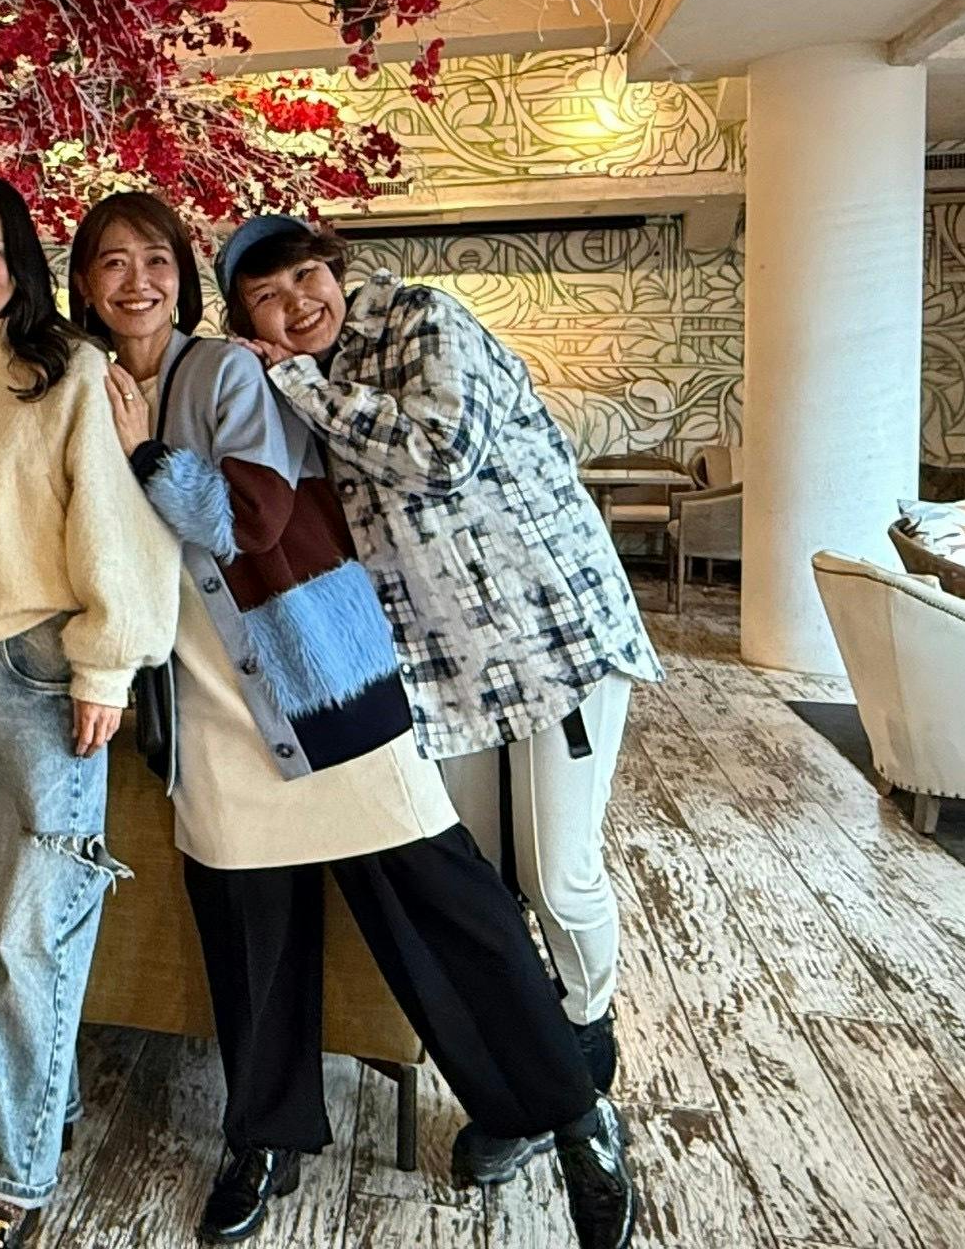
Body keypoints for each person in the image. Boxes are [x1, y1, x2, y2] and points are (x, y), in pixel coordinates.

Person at [71, 194, 637, 1248]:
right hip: (206, 698)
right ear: (85, 286)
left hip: (320, 674)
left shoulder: (226, 372)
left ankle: (569, 1114)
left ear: (184, 282)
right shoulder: (89, 384)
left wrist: (149, 458)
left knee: (441, 903)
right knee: (249, 932)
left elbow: (250, 519)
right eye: (111, 263)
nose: (136, 281)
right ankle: (266, 1136)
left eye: (155, 259)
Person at [219, 212, 662, 1186]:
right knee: (486, 887)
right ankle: (538, 1083)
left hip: (553, 641)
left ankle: (586, 1067)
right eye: (266, 299)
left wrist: (296, 382)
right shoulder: (299, 389)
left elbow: (440, 448)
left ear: (336, 270)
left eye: (305, 279)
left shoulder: (421, 319)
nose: (296, 306)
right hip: (443, 671)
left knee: (557, 874)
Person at [0, 175, 178, 1249]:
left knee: (33, 922)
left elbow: (120, 527)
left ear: (22, 263)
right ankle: (23, 1112)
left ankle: (12, 1171)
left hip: (42, 669)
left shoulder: (70, 371)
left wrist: (106, 668)